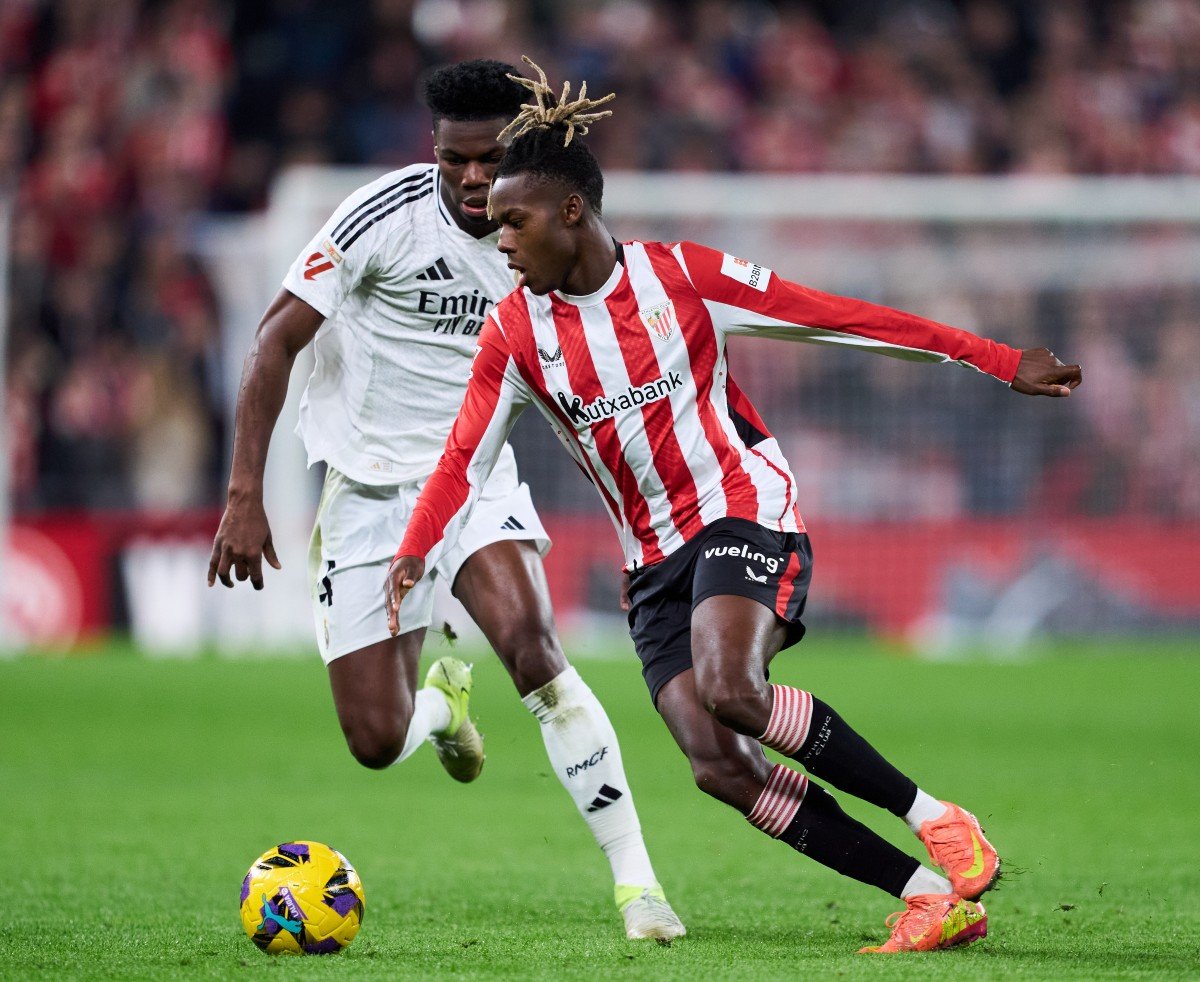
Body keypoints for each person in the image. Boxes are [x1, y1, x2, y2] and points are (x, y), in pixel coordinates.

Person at [385, 59, 1083, 955]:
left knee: (731, 689)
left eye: (513, 220)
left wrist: (990, 357)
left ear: (571, 212)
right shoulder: (516, 331)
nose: (500, 239)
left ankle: (939, 816)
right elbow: (460, 457)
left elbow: (838, 316)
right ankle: (927, 896)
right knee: (717, 765)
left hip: (740, 507)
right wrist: (416, 548)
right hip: (652, 560)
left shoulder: (685, 278)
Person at [207, 60, 685, 942]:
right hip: (365, 492)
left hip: (473, 482)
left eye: (490, 158)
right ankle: (443, 710)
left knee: (536, 652)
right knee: (376, 741)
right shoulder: (379, 218)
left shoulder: (543, 231)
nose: (472, 178)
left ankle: (639, 887)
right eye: (455, 159)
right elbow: (274, 341)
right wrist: (245, 494)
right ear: (434, 147)